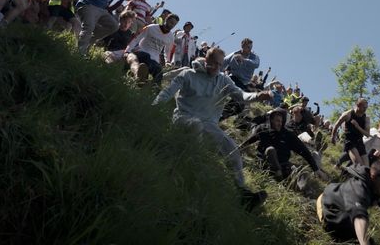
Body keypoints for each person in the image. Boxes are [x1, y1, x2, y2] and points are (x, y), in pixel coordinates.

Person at [152, 48, 272, 208]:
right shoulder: (188, 74)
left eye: (220, 65)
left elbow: (241, 95)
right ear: (206, 61)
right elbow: (167, 92)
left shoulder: (223, 80)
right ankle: (188, 175)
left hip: (210, 125)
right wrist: (152, 108)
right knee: (195, 126)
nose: (217, 68)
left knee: (232, 150)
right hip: (184, 117)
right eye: (214, 63)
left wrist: (258, 96)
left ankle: (244, 194)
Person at [317, 160, 380, 245]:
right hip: (328, 204)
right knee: (345, 235)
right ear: (373, 177)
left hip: (347, 209)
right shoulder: (358, 188)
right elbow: (359, 217)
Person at [239, 108, 328, 182]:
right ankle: (278, 174)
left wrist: (316, 169)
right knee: (270, 150)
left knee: (301, 173)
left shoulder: (289, 135)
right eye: (277, 120)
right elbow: (248, 141)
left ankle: (300, 188)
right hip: (265, 164)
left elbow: (304, 152)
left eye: (281, 121)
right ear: (271, 120)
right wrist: (238, 149)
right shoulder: (262, 129)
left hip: (284, 167)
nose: (280, 123)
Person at [125, 13, 179, 83]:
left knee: (158, 72)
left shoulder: (171, 37)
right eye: (171, 22)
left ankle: (150, 88)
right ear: (166, 20)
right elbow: (136, 39)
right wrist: (127, 51)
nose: (172, 25)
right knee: (145, 57)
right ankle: (140, 76)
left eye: (174, 24)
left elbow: (167, 51)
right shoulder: (151, 27)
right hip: (141, 52)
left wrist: (167, 61)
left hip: (154, 60)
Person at [331, 98, 371, 166]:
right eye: (364, 107)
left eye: (366, 107)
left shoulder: (366, 118)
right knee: (358, 165)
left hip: (359, 142)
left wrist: (357, 126)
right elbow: (337, 125)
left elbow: (367, 134)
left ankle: (338, 164)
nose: (365, 109)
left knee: (366, 167)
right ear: (358, 105)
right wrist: (333, 137)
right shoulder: (348, 114)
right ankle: (340, 165)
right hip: (350, 141)